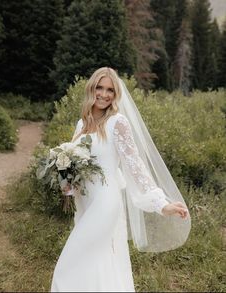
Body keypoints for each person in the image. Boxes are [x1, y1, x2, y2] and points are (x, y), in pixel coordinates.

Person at [50, 67, 191, 292]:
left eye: (110, 90)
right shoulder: (81, 124)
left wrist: (162, 204)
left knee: (69, 264)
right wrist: (66, 183)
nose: (104, 94)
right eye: (100, 87)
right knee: (96, 262)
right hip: (85, 202)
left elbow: (136, 167)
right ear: (91, 88)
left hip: (106, 202)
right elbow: (74, 165)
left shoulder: (118, 122)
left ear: (116, 95)